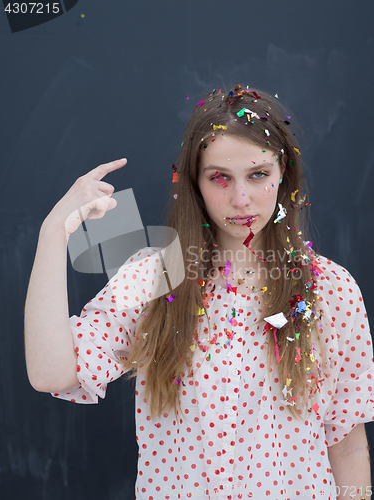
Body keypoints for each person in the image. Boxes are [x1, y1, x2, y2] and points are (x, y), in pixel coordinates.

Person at [24, 84, 374, 500]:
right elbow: (50, 374)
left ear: (284, 175)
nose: (241, 198)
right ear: (195, 182)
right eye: (220, 177)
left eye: (258, 174)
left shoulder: (330, 289)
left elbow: (348, 445)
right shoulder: (154, 276)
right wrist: (53, 232)